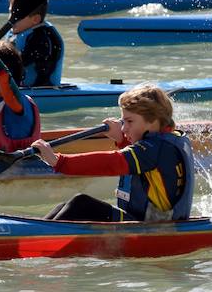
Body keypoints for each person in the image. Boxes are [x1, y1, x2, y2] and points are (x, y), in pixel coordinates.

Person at [32, 84, 194, 222]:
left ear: (153, 121)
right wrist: (121, 140)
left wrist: (58, 161)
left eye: (130, 121)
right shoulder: (164, 143)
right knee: (65, 206)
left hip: (155, 227)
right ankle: (33, 231)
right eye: (123, 122)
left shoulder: (155, 149)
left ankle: (34, 240)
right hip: (144, 220)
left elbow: (111, 163)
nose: (124, 128)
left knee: (80, 204)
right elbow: (145, 166)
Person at [5, 0, 64, 87]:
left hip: (41, 91)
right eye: (11, 12)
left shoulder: (41, 39)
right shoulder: (16, 32)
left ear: (35, 19)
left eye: (17, 15)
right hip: (19, 87)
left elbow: (18, 64)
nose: (10, 19)